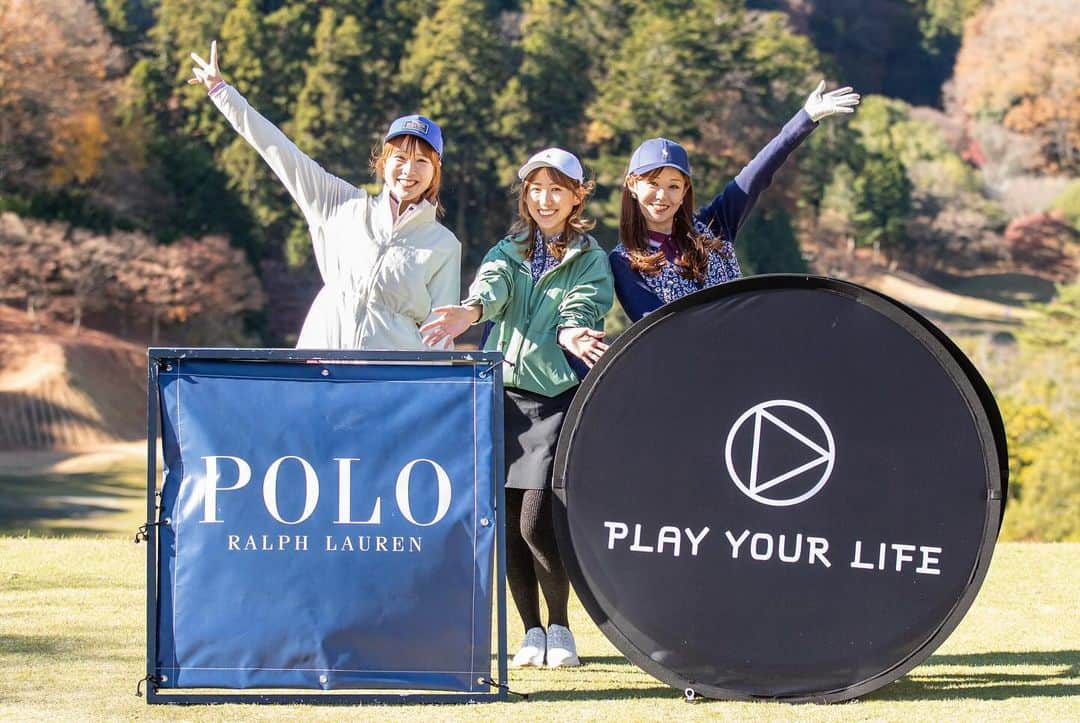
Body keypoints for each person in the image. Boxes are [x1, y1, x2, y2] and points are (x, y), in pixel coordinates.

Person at [421, 148, 613, 668]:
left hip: (555, 400)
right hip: (501, 394)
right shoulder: (507, 250)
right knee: (506, 523)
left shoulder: (591, 257)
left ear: (577, 196)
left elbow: (585, 303)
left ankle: (561, 626)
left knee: (536, 521)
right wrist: (472, 310)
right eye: (535, 188)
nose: (544, 199)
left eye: (557, 189)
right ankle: (530, 631)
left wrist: (571, 328)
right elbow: (493, 287)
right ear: (524, 194)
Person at [188, 41, 460, 350]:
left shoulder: (444, 245)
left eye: (422, 161)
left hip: (387, 383)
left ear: (435, 172)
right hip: (321, 367)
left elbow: (438, 336)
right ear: (383, 163)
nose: (408, 170)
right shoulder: (340, 204)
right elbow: (280, 152)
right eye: (399, 158)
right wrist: (223, 93)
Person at [610, 81, 860, 322]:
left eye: (673, 186)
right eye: (652, 184)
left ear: (685, 189)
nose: (662, 196)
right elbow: (653, 330)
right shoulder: (624, 260)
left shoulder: (713, 227)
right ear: (632, 185)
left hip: (749, 348)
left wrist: (804, 119)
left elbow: (757, 173)